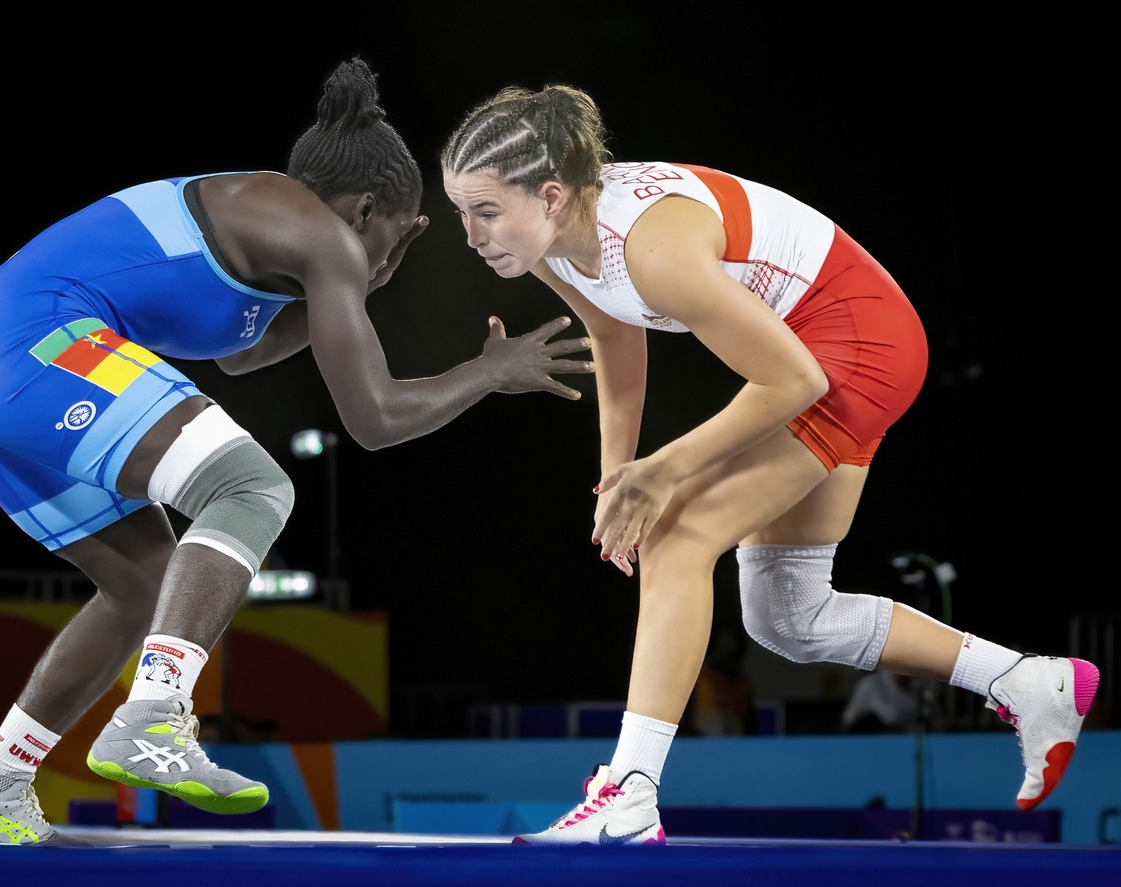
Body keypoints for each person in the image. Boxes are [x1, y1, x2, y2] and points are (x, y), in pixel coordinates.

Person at [0, 58, 593, 846]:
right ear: (366, 208)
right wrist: (486, 372)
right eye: (394, 236)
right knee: (251, 485)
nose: (382, 261)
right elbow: (374, 419)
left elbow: (239, 354)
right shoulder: (322, 236)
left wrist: (360, 283)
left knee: (141, 585)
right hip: (26, 344)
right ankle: (154, 715)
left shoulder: (265, 222)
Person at [440, 85, 1100, 846]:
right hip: (833, 347)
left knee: (677, 534)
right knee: (788, 614)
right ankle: (1025, 680)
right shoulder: (555, 238)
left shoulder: (651, 247)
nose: (470, 235)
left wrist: (663, 472)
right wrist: (618, 477)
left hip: (854, 347)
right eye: (461, 211)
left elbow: (794, 381)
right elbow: (616, 336)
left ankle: (629, 793)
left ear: (551, 195)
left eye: (484, 211)